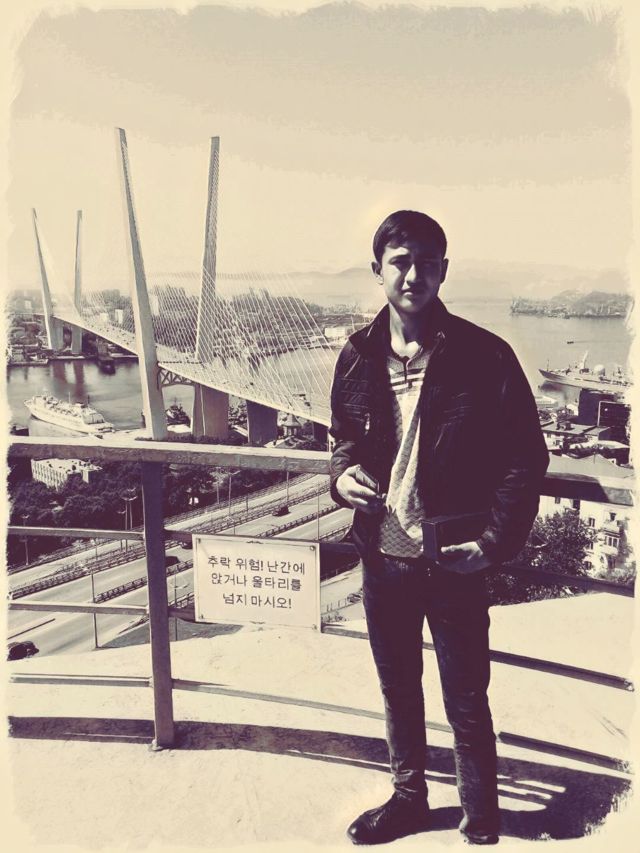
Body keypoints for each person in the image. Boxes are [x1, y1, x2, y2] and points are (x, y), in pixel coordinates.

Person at [329, 210, 549, 846]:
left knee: (466, 698)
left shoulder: (485, 355)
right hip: (383, 558)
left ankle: (481, 814)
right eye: (400, 262)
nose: (413, 275)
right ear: (377, 271)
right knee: (399, 690)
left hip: (455, 558)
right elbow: (343, 439)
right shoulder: (357, 355)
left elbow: (524, 457)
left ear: (444, 271)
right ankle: (408, 801)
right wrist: (341, 477)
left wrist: (492, 545)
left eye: (427, 262)